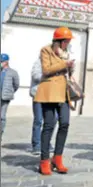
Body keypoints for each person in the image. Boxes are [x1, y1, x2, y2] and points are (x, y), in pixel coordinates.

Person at [35, 27, 75, 175]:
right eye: (66, 41)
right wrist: (64, 64)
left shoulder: (67, 54)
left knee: (65, 123)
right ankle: (44, 160)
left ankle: (57, 158)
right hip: (50, 91)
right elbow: (46, 70)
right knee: (49, 125)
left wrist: (71, 67)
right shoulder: (46, 50)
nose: (67, 44)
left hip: (63, 93)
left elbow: (67, 72)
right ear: (59, 41)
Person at [30, 58, 57, 155]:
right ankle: (36, 144)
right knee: (38, 120)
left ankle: (46, 142)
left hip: (51, 97)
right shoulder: (38, 62)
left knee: (53, 119)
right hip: (38, 95)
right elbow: (35, 76)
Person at [0, 53, 20, 143]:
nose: (1, 63)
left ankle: (1, 133)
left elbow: (16, 85)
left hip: (5, 97)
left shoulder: (13, 72)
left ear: (7, 62)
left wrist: (10, 92)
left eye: (2, 61)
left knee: (2, 117)